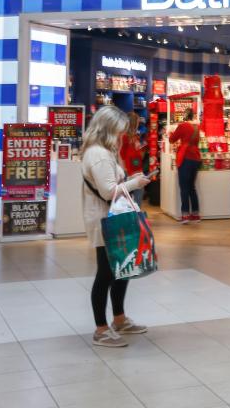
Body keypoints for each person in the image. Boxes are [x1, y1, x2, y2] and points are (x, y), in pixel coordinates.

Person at [81, 106, 150, 348]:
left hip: (112, 216)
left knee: (122, 269)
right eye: (119, 130)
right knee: (107, 273)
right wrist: (136, 183)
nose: (122, 135)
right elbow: (108, 191)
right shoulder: (98, 154)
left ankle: (119, 319)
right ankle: (101, 329)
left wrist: (132, 180)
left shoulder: (104, 152)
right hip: (105, 219)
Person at [168, 108, 202, 223]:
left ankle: (185, 215)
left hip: (186, 157)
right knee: (192, 187)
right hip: (196, 158)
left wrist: (170, 133)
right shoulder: (197, 127)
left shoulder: (182, 126)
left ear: (185, 116)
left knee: (184, 187)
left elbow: (172, 140)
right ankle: (196, 214)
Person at [119, 112, 145, 207]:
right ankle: (133, 215)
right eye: (137, 122)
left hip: (136, 169)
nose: (139, 123)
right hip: (129, 170)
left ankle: (135, 214)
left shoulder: (134, 136)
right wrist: (124, 170)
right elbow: (122, 154)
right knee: (131, 194)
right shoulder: (125, 136)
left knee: (138, 192)